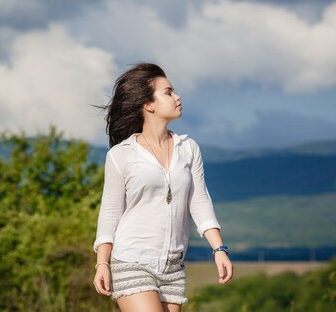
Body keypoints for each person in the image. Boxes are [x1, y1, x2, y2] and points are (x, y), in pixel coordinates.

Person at [92, 62, 233, 312]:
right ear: (148, 104)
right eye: (168, 92)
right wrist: (102, 263)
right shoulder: (121, 155)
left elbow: (199, 202)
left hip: (173, 266)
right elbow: (111, 211)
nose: (177, 97)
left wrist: (219, 249)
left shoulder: (188, 149)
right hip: (132, 260)